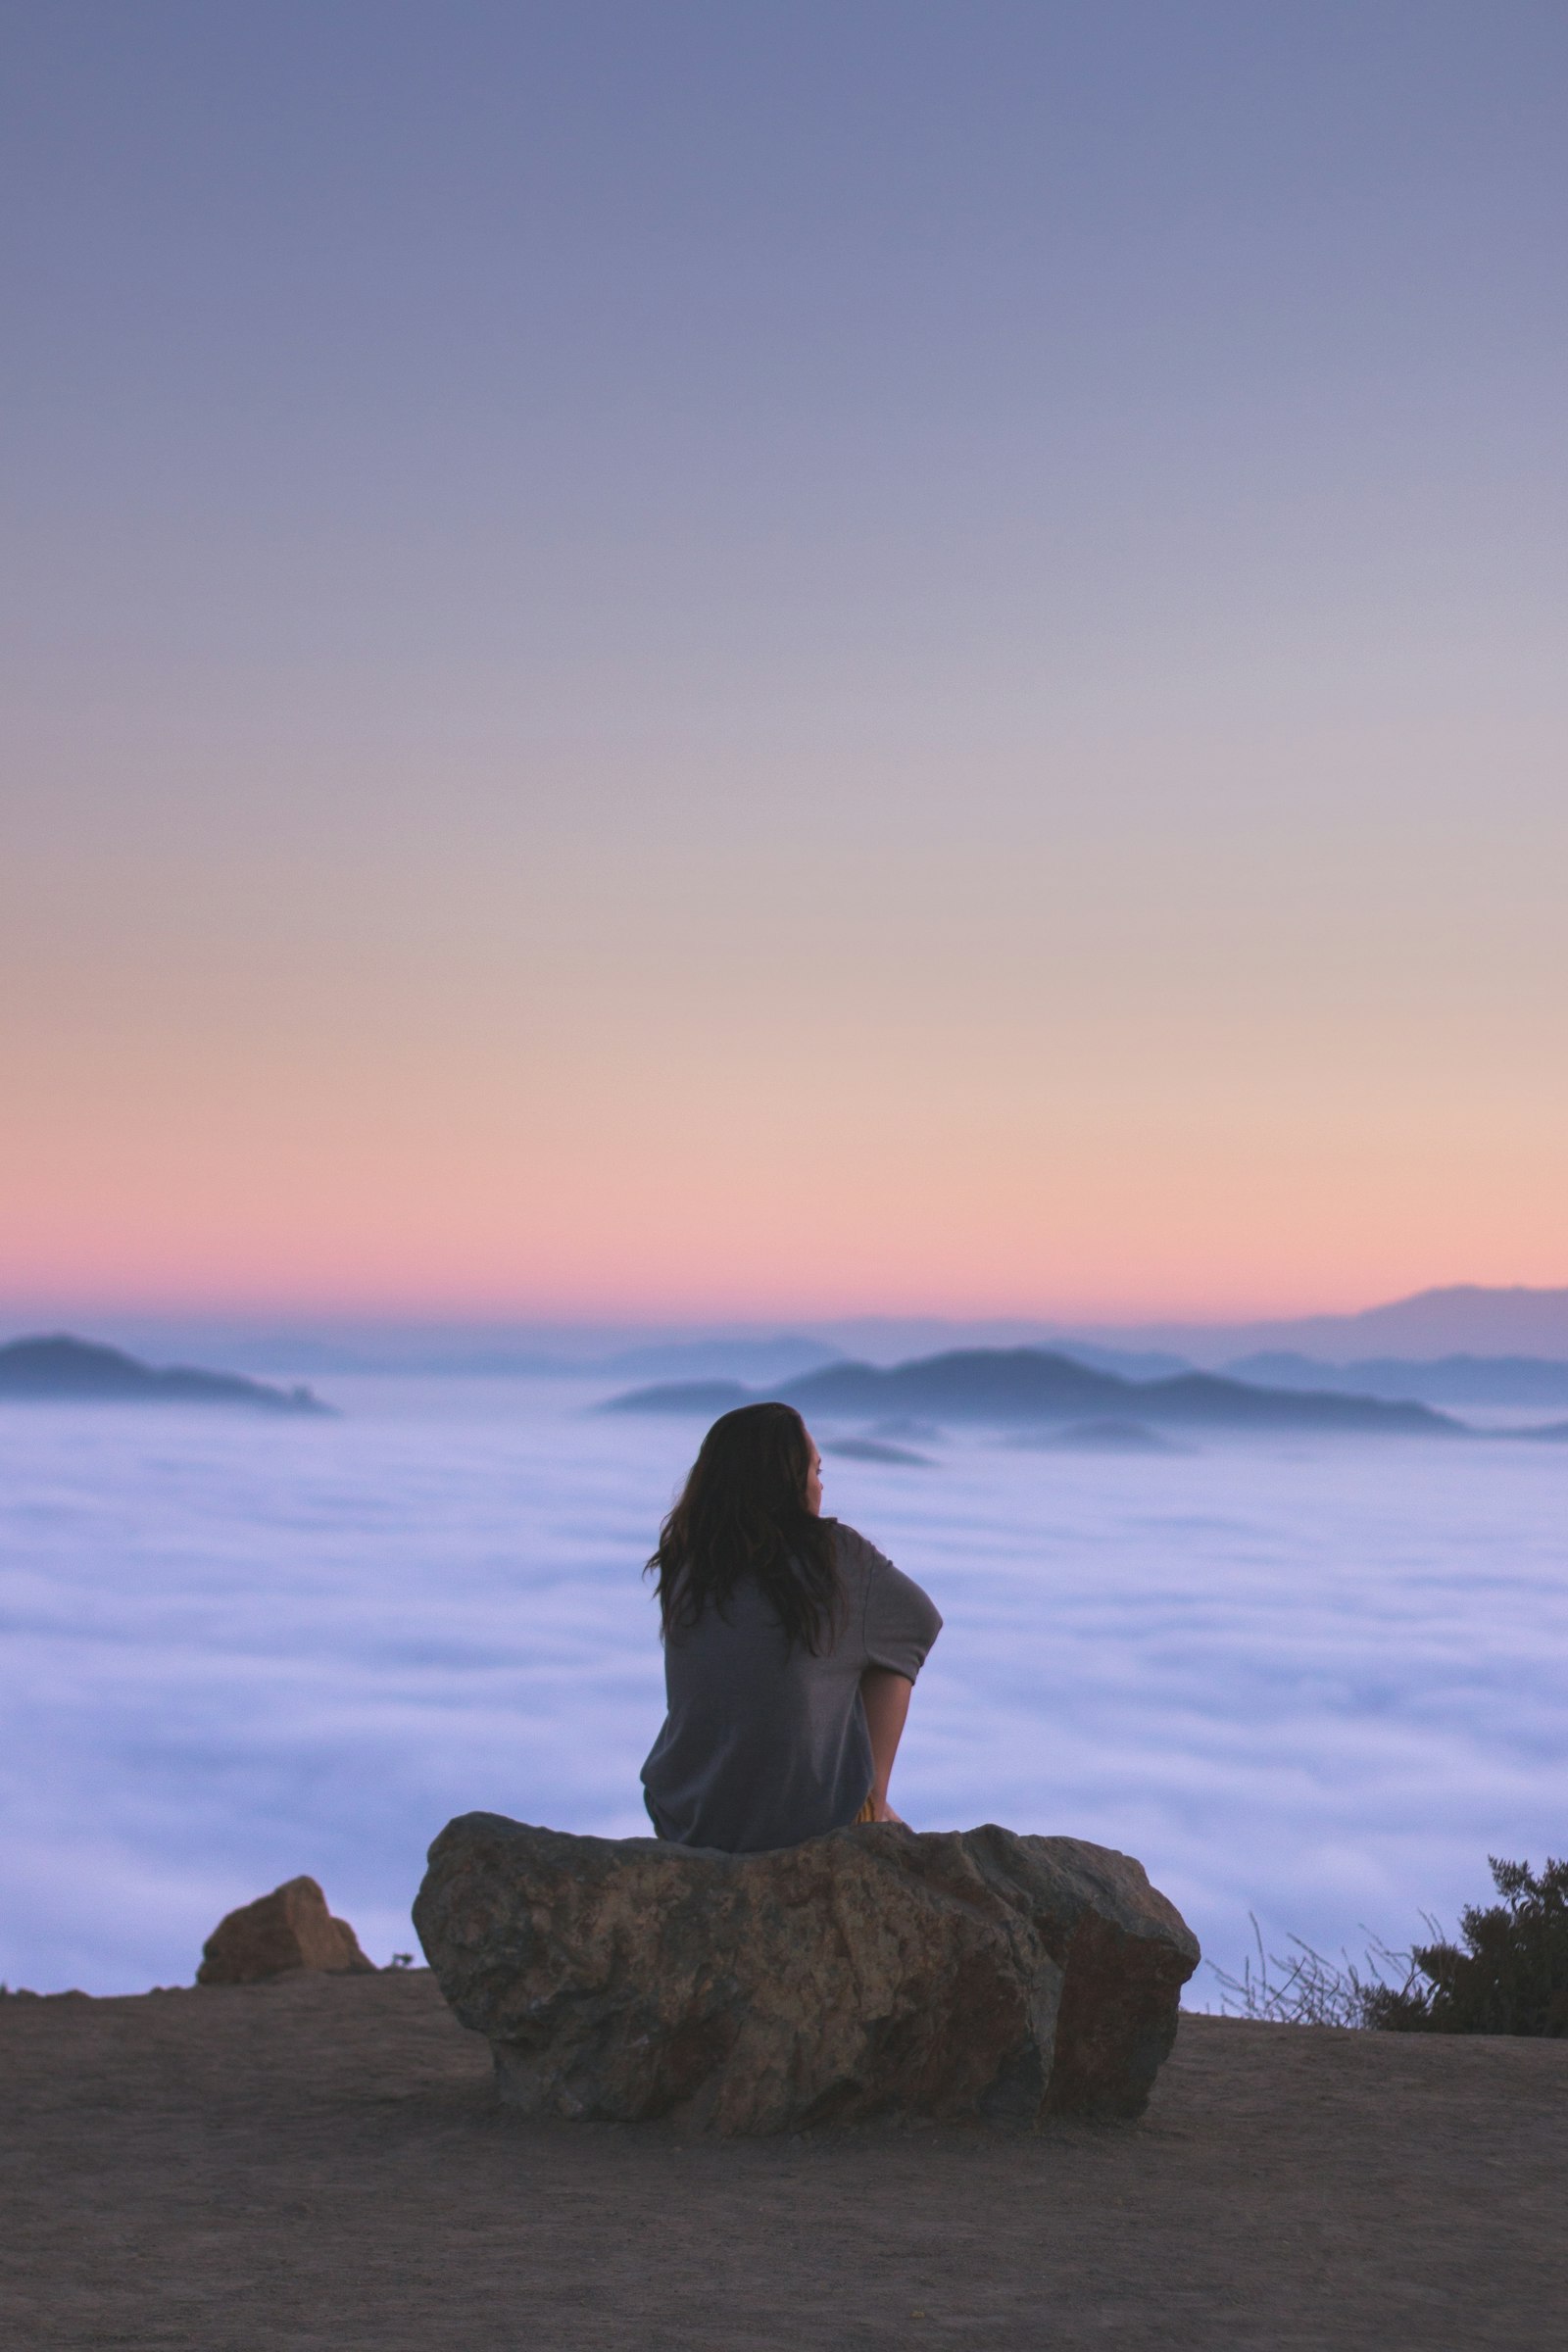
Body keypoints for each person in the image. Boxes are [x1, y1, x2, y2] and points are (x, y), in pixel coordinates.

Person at [639, 1401, 942, 1852]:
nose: (820, 1486)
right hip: (801, 1827)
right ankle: (873, 1799)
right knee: (882, 1648)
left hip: (686, 1815)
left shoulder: (688, 1561)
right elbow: (920, 1620)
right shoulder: (835, 1559)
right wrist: (874, 1796)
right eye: (816, 1472)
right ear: (785, 1479)